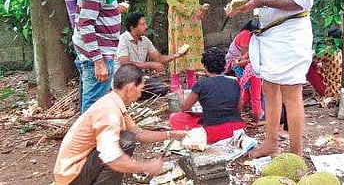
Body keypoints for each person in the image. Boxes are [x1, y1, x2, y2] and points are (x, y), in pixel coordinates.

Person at [227, 0, 316, 158]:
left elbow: (302, 0)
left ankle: (296, 155)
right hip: (267, 35)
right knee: (269, 88)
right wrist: (239, 4)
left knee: (291, 93)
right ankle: (271, 142)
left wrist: (263, 1)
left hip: (290, 34)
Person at [53, 64, 187, 185]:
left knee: (129, 137)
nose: (141, 93)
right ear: (130, 88)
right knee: (126, 141)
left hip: (76, 169)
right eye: (140, 88)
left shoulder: (114, 102)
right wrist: (146, 166)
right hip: (71, 176)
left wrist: (171, 134)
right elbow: (112, 158)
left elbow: (139, 133)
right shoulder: (109, 112)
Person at [73, 0, 135, 113]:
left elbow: (96, 12)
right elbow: (86, 24)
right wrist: (98, 62)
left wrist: (115, 9)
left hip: (98, 51)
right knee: (94, 105)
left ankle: (87, 137)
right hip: (97, 53)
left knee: (92, 101)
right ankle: (89, 139)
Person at [169, 47, 245, 144]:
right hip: (237, 129)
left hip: (213, 132)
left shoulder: (201, 85)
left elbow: (184, 107)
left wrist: (180, 94)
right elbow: (239, 109)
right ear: (225, 66)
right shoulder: (235, 83)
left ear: (205, 67)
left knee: (175, 118)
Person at [115, 11, 185, 99]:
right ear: (132, 27)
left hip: (139, 78)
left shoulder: (145, 40)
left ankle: (135, 94)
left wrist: (177, 55)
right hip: (124, 79)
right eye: (142, 24)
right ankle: (130, 94)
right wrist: (150, 65)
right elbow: (125, 63)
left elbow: (159, 58)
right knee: (158, 88)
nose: (146, 27)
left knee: (162, 88)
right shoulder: (123, 39)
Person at [164, 0, 209, 91]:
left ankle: (191, 81)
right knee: (178, 51)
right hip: (179, 25)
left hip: (194, 26)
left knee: (192, 51)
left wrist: (202, 10)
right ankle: (175, 83)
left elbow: (195, 4)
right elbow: (174, 3)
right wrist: (192, 12)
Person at [225, 20, 263, 123]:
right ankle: (256, 119)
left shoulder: (253, 38)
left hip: (246, 69)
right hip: (253, 70)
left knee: (245, 94)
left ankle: (236, 115)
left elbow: (246, 56)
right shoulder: (253, 38)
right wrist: (242, 61)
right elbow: (248, 57)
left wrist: (241, 60)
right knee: (255, 96)